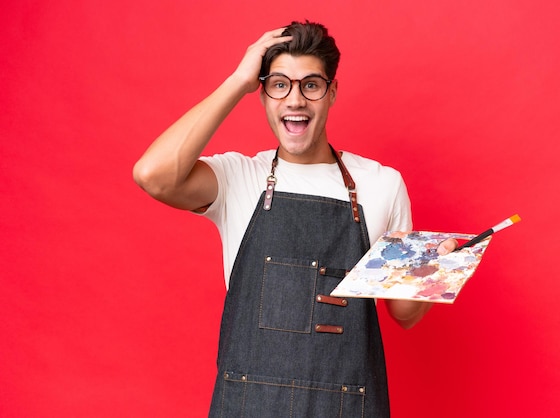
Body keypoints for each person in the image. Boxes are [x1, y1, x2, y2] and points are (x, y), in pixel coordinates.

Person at [134, 21, 456, 417]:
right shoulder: (239, 177)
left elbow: (403, 315)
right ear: (263, 94)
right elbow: (153, 175)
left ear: (331, 92)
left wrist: (435, 269)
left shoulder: (382, 185)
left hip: (347, 406)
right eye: (280, 84)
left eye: (311, 85)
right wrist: (238, 80)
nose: (295, 100)